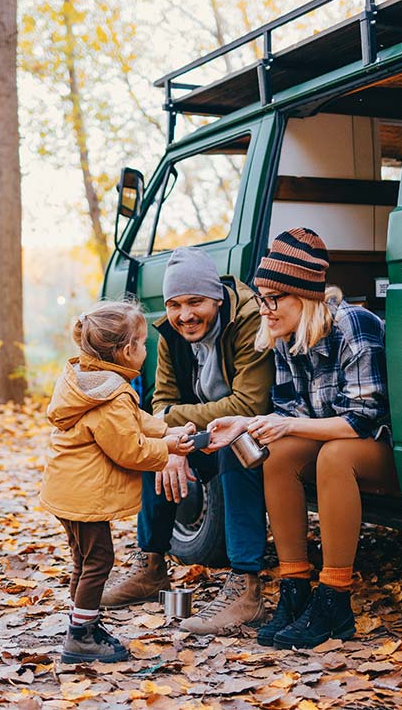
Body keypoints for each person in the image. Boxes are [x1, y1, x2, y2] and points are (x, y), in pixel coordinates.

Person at [206, 228, 393, 649]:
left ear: (304, 296)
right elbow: (291, 414)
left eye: (274, 298)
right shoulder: (285, 337)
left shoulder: (353, 326)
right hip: (333, 441)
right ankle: (295, 589)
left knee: (333, 456)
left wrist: (287, 425)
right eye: (261, 298)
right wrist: (244, 424)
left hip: (380, 450)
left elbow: (363, 421)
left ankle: (334, 598)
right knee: (279, 456)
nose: (265, 310)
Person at [100, 247, 274, 635]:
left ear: (215, 296)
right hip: (203, 431)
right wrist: (172, 444)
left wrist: (170, 426)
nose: (185, 315)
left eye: (195, 302)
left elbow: (249, 403)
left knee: (237, 445)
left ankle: (246, 586)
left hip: (258, 430)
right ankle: (151, 569)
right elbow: (161, 400)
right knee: (153, 451)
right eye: (175, 304)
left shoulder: (247, 321)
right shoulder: (170, 332)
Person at [40, 299, 194, 663]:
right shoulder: (112, 395)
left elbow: (136, 420)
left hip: (67, 488)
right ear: (126, 351)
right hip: (83, 495)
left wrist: (167, 428)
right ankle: (80, 637)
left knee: (84, 559)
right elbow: (131, 449)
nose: (145, 349)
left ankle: (83, 622)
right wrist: (169, 446)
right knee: (99, 561)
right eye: (142, 343)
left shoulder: (93, 381)